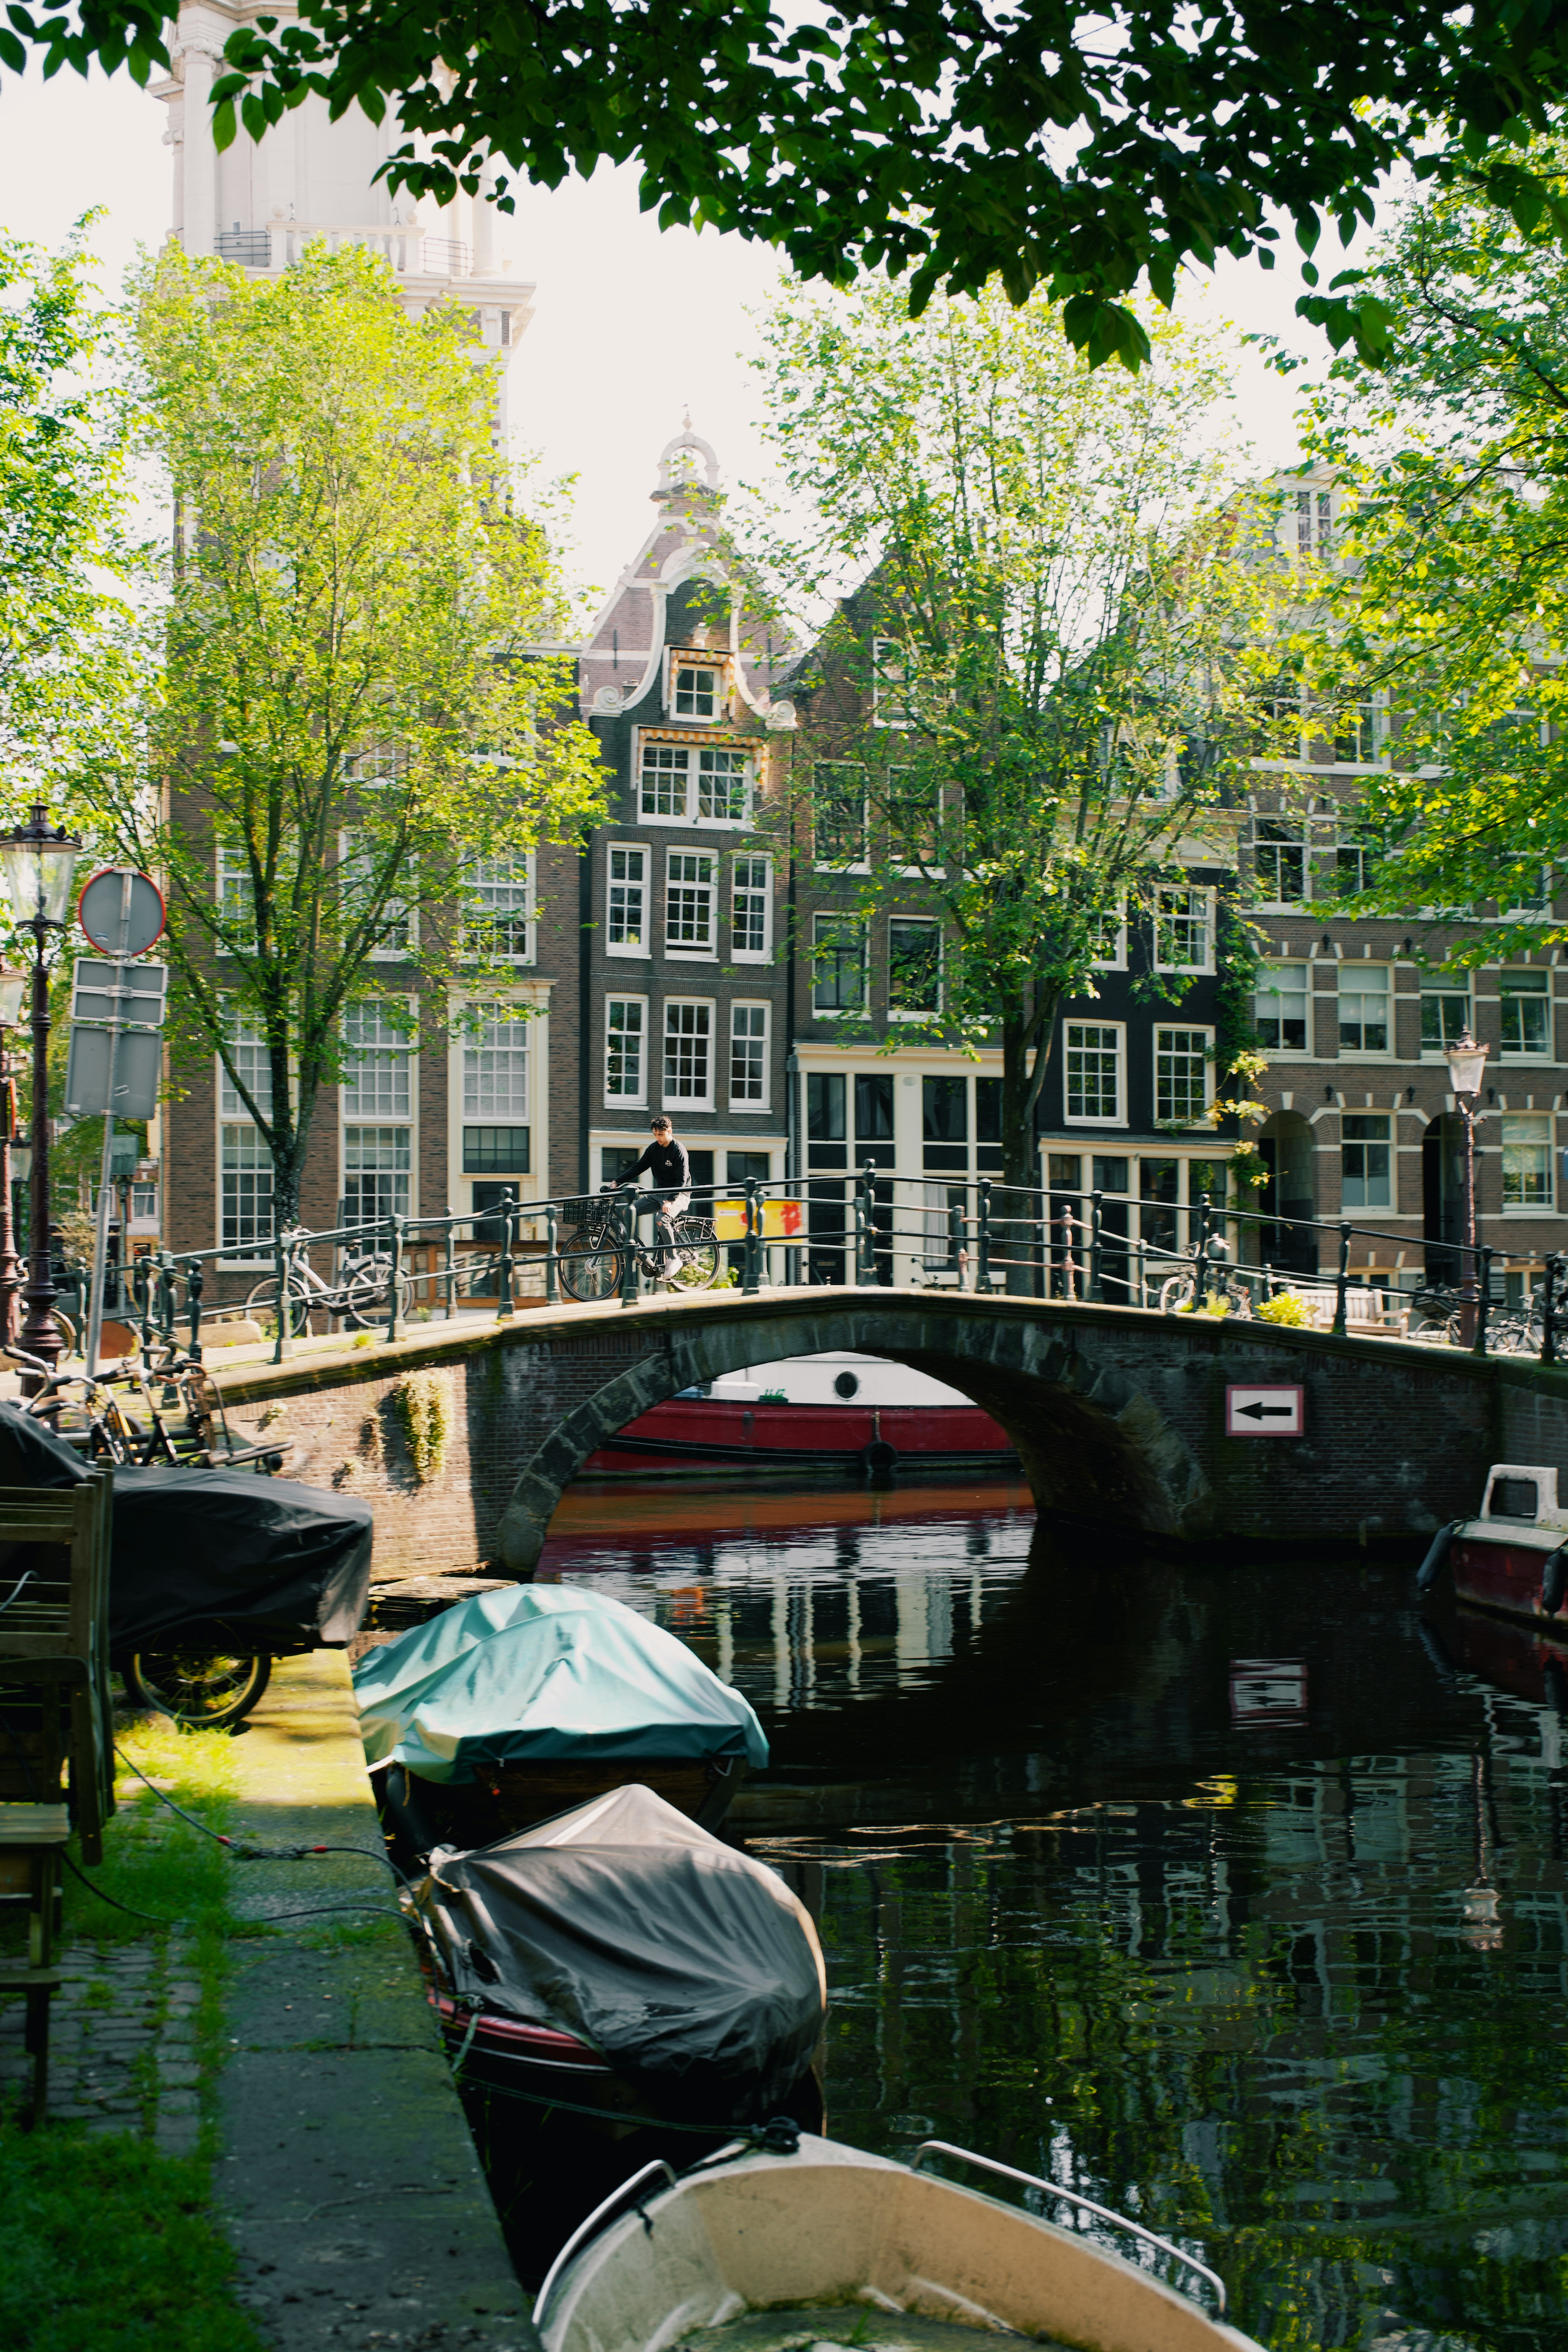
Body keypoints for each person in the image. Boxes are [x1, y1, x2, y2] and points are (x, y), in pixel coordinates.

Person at [616, 1116, 692, 1282]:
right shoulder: (654, 1149)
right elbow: (637, 1167)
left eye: (661, 1135)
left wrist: (670, 1200)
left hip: (680, 1195)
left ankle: (673, 1259)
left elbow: (682, 1180)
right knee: (629, 1211)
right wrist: (618, 1181)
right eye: (655, 1135)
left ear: (670, 1132)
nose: (658, 1138)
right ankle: (635, 1251)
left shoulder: (679, 1150)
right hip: (660, 1194)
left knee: (662, 1219)